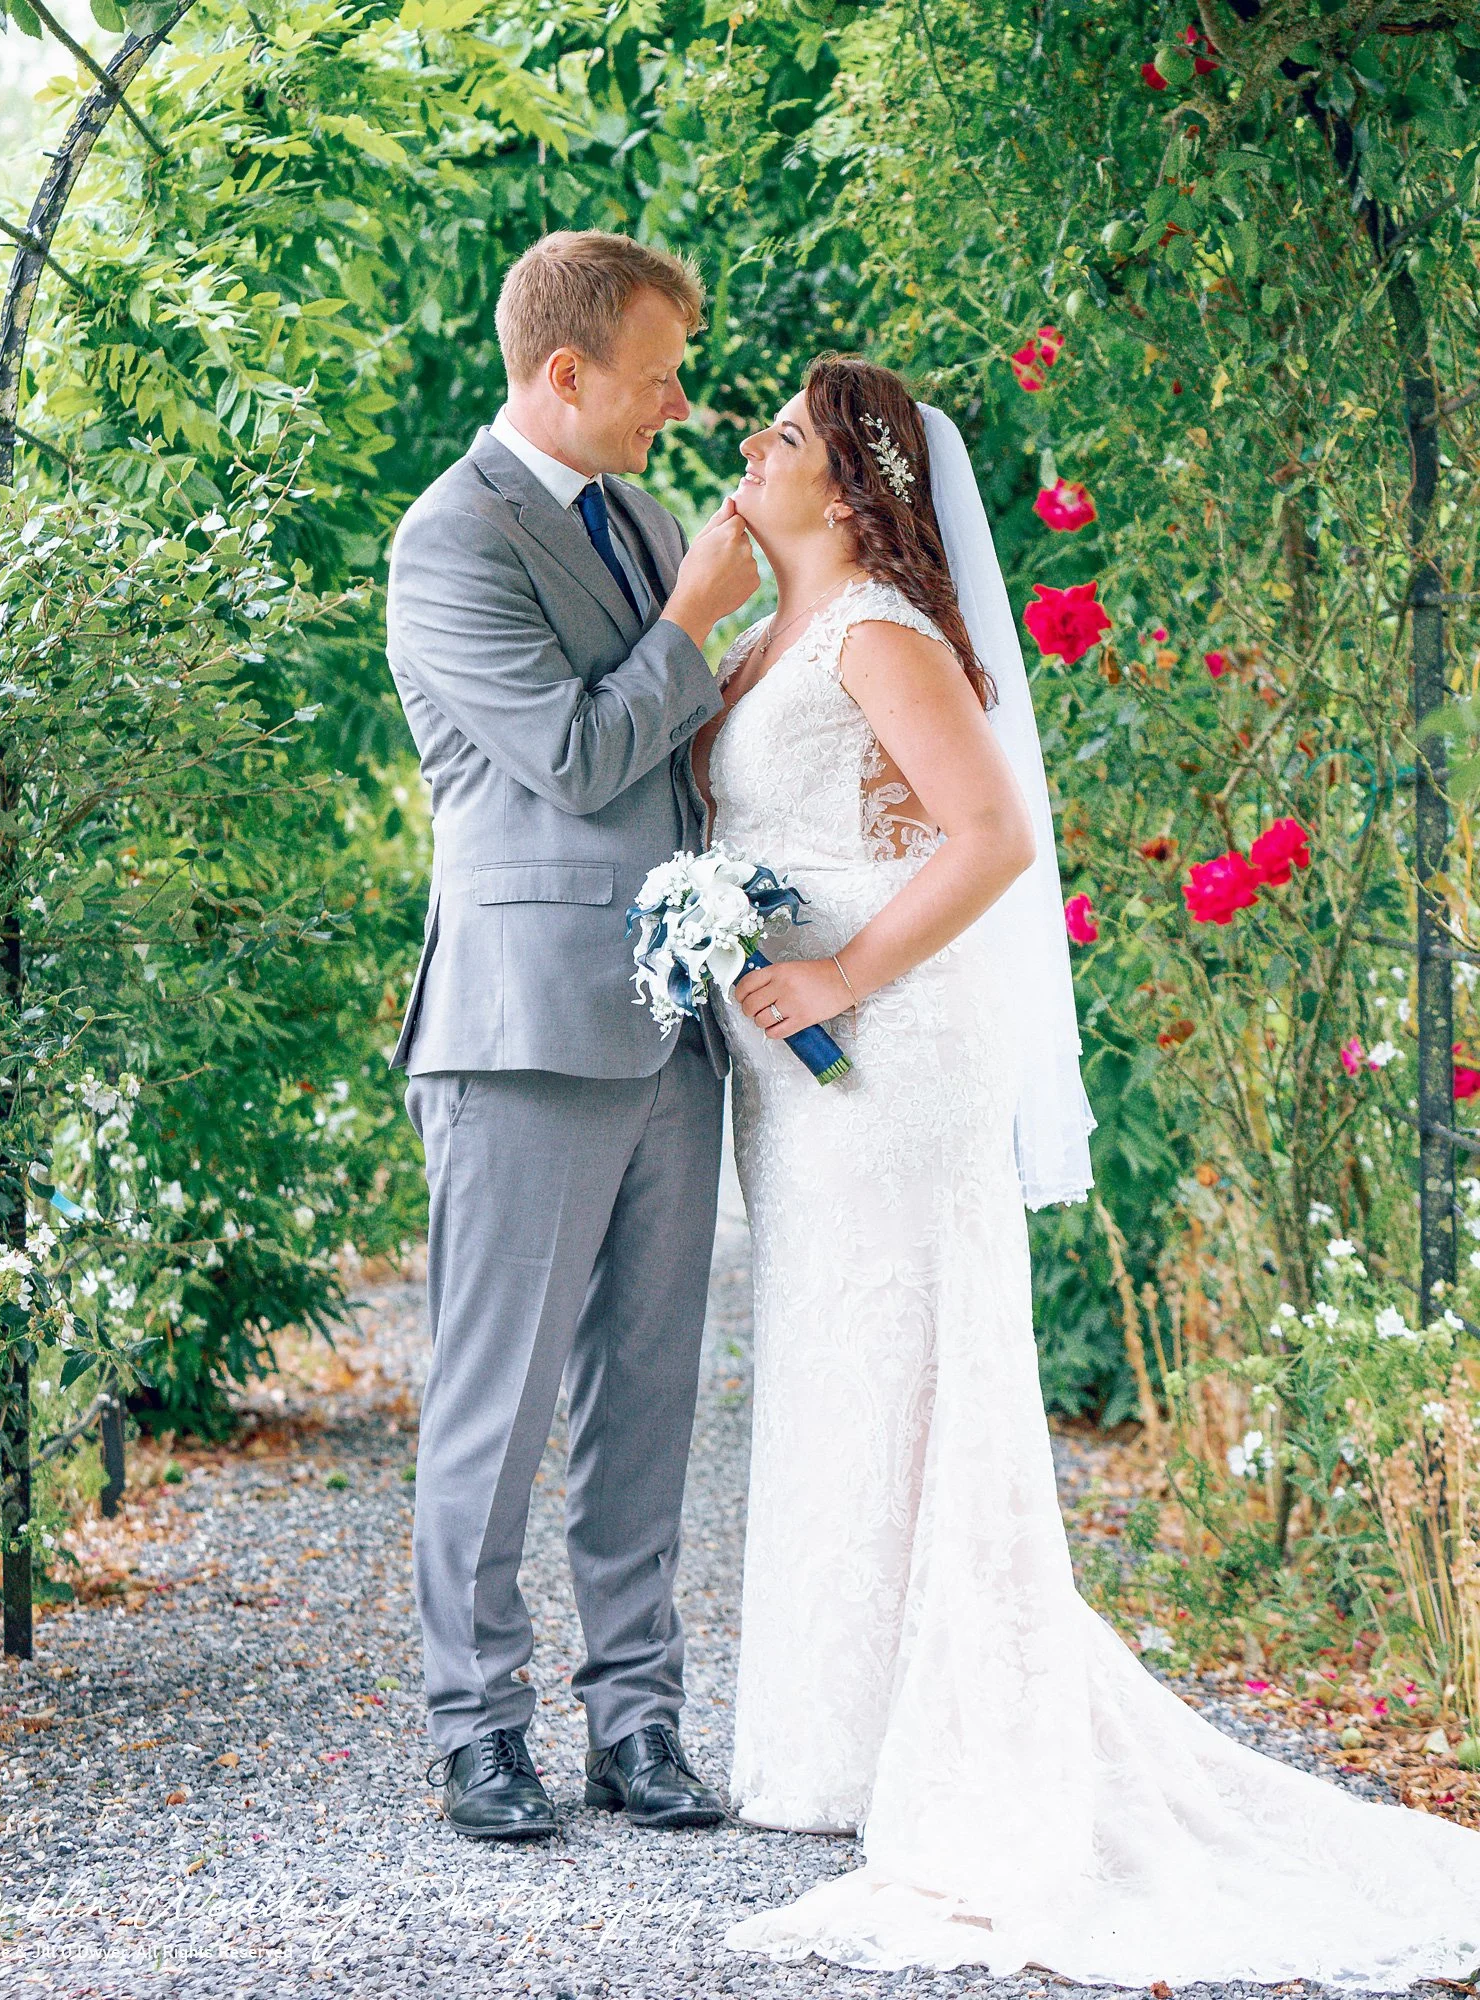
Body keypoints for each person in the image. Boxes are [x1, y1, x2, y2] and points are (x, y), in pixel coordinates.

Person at [701, 351, 1480, 1983]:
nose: (743, 452)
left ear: (845, 493)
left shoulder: (879, 636)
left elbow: (991, 837)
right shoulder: (768, 635)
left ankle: (923, 1736)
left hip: (884, 1062)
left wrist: (840, 977)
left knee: (901, 1359)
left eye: (775, 439)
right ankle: (831, 1740)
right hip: (800, 1081)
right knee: (835, 1369)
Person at [383, 230, 758, 1841]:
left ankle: (639, 1723)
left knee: (648, 1395)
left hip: (674, 1028)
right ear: (567, 372)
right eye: (658, 373)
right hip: (523, 1028)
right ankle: (478, 1731)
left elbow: (683, 756)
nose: (676, 404)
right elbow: (583, 753)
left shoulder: (650, 517)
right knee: (498, 1402)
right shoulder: (450, 540)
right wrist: (700, 617)